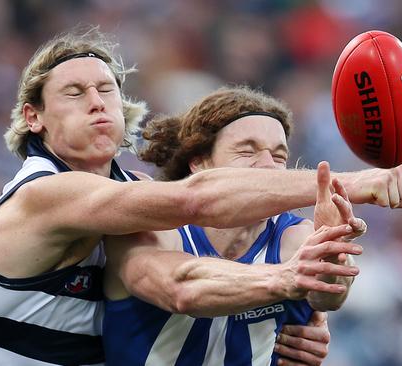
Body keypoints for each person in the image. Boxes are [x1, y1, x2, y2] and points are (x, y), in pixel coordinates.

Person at [0, 28, 402, 366]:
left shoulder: (132, 197)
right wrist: (349, 183)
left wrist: (304, 310)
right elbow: (195, 215)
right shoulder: (43, 193)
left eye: (107, 90)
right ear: (33, 117)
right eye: (74, 92)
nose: (96, 101)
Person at [102, 87, 369, 365]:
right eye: (247, 150)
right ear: (199, 163)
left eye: (279, 156)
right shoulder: (151, 226)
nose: (269, 167)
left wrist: (331, 250)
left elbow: (329, 298)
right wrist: (284, 278)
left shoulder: (295, 236)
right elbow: (182, 289)